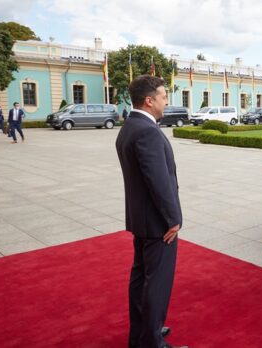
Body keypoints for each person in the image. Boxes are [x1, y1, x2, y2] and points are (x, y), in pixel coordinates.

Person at [115, 75, 186, 348]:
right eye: (163, 95)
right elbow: (158, 181)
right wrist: (173, 219)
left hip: (142, 219)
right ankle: (152, 341)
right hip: (158, 224)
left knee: (140, 278)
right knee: (156, 283)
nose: (166, 100)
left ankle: (143, 333)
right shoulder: (146, 130)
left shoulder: (129, 126)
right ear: (149, 100)